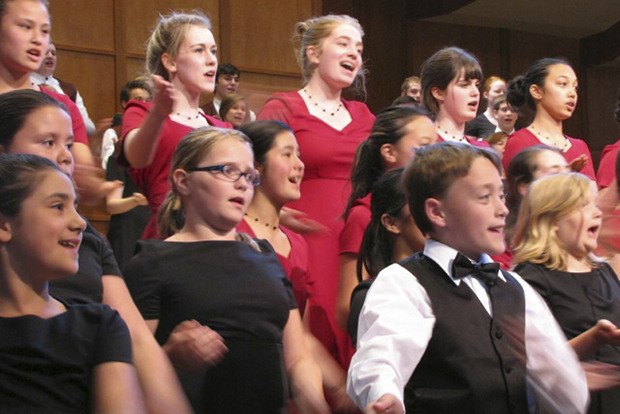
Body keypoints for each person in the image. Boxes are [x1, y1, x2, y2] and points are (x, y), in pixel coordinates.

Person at [347, 142, 589, 414]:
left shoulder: (515, 287)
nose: (502, 210)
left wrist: (564, 379)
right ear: (437, 212)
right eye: (484, 197)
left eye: (502, 196)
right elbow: (381, 354)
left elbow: (567, 394)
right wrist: (384, 393)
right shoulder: (405, 283)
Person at [0, 89, 192, 414]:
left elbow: (138, 341)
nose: (66, 156)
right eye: (48, 142)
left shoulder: (86, 244)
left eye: (69, 143)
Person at [124, 127, 329, 413]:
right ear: (184, 181)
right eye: (227, 170)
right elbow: (125, 370)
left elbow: (297, 359)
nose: (242, 184)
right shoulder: (154, 261)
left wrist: (316, 405)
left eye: (248, 175)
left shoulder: (264, 256)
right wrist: (170, 355)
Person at [258, 14, 375, 367]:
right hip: (304, 235)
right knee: (310, 327)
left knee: (355, 321)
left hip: (355, 241)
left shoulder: (365, 115)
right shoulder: (284, 107)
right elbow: (255, 167)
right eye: (343, 44)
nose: (354, 54)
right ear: (313, 53)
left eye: (358, 48)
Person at [0, 153, 145, 413]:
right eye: (58, 206)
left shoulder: (99, 326)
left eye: (76, 207)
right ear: (4, 224)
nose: (80, 223)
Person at [237, 120, 356, 413]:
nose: (299, 165)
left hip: (290, 384)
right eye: (287, 154)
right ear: (257, 167)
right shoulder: (234, 232)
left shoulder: (297, 243)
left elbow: (299, 336)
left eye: (299, 155)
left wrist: (340, 387)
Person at [513, 172, 620, 413]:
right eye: (584, 206)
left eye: (595, 204)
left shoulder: (604, 270)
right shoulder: (531, 279)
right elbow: (534, 362)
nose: (597, 212)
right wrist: (594, 338)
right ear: (551, 222)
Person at [120, 11, 230, 239]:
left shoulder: (224, 129)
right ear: (170, 61)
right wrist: (159, 114)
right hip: (169, 237)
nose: (212, 60)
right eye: (199, 50)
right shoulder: (143, 112)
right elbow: (136, 157)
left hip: (219, 241)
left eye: (213, 51)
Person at [0, 0, 115, 204]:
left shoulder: (61, 105)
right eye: (25, 27)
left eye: (45, 31)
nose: (37, 39)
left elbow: (84, 183)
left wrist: (95, 185)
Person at [336, 105, 435, 329]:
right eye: (424, 148)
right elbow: (347, 306)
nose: (434, 156)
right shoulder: (363, 213)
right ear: (389, 152)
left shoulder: (436, 207)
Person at [346, 168, 426, 345]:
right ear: (391, 223)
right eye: (421, 203)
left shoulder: (458, 283)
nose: (436, 213)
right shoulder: (373, 296)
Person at [504, 57, 595, 179]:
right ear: (536, 91)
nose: (572, 93)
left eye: (575, 87)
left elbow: (593, 196)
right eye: (563, 84)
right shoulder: (519, 142)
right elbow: (518, 194)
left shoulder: (580, 146)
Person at [420, 47, 489, 148]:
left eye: (477, 85)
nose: (476, 92)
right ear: (438, 93)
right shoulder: (425, 147)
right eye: (464, 85)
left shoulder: (483, 148)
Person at [31, 41, 96, 134]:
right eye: (45, 52)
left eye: (53, 53)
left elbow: (90, 128)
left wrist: (62, 104)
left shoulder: (69, 89)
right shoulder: (23, 84)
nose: (50, 56)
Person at [101, 77, 152, 168]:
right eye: (138, 100)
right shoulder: (113, 132)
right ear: (125, 103)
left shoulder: (155, 127)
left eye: (147, 101)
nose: (144, 104)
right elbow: (106, 167)